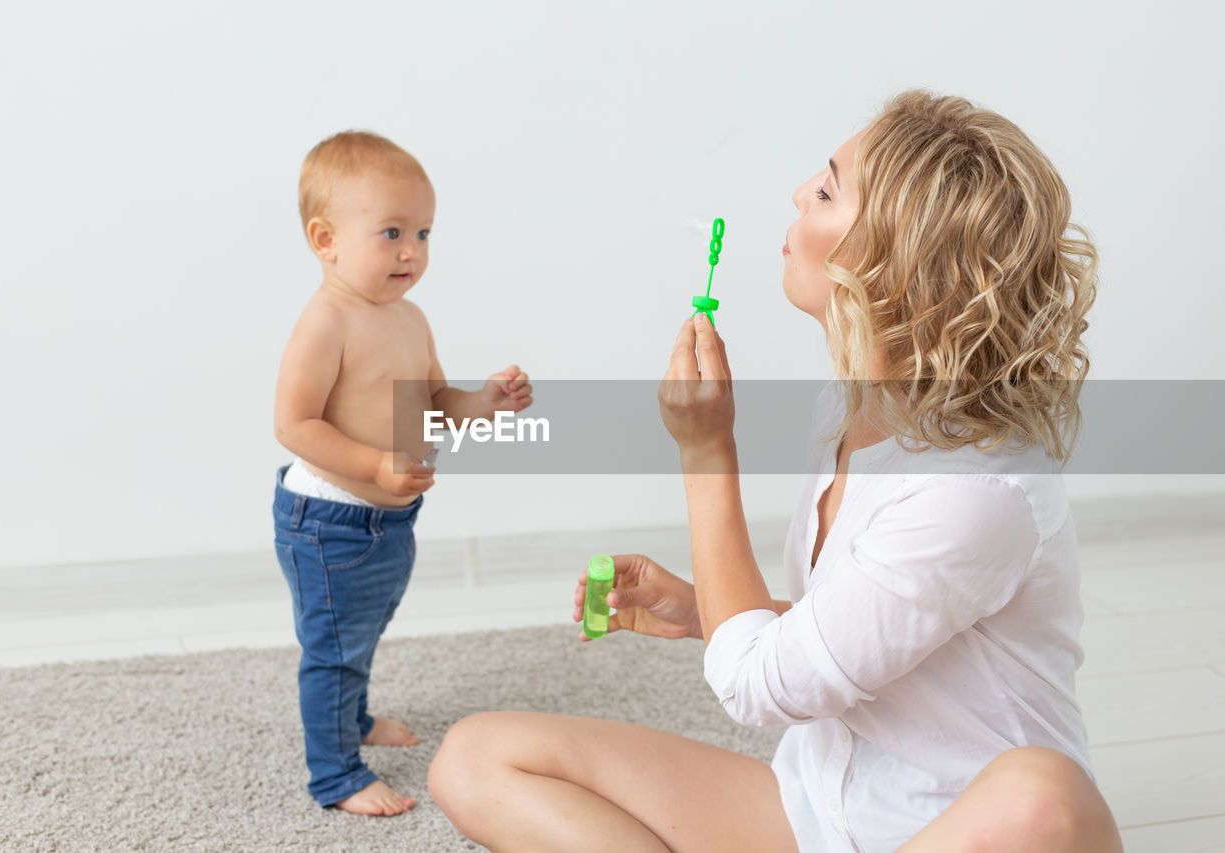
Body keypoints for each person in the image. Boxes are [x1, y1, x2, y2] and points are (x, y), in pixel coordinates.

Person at [427, 91, 1124, 851]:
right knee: (475, 756)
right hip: (820, 817)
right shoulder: (852, 406)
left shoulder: (979, 492)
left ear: (894, 267)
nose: (798, 192)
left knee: (1044, 793)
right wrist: (707, 612)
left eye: (827, 190)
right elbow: (873, 619)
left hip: (959, 830)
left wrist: (705, 452)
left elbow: (756, 688)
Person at [272, 131, 532, 816]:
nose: (412, 251)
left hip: (389, 516)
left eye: (422, 232)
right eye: (391, 232)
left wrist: (487, 402)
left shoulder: (410, 316)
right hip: (330, 518)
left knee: (362, 629)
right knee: (333, 648)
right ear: (325, 239)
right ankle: (336, 774)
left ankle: (351, 720)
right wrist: (374, 465)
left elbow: (438, 405)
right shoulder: (326, 321)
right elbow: (294, 424)